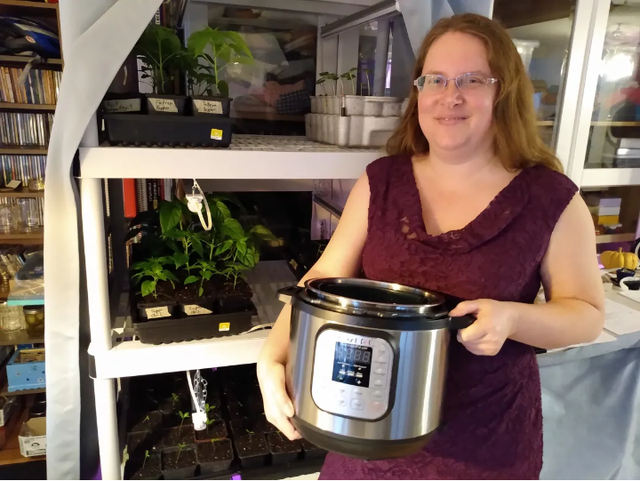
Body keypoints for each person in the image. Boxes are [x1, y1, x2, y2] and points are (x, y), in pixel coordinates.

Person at [257, 13, 605, 480]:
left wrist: (514, 319)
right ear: (418, 91)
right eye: (435, 79)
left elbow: (586, 315)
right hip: (367, 440)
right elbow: (321, 280)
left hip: (486, 450)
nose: (450, 95)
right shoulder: (382, 181)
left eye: (472, 80)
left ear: (504, 92)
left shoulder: (550, 198)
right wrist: (271, 355)